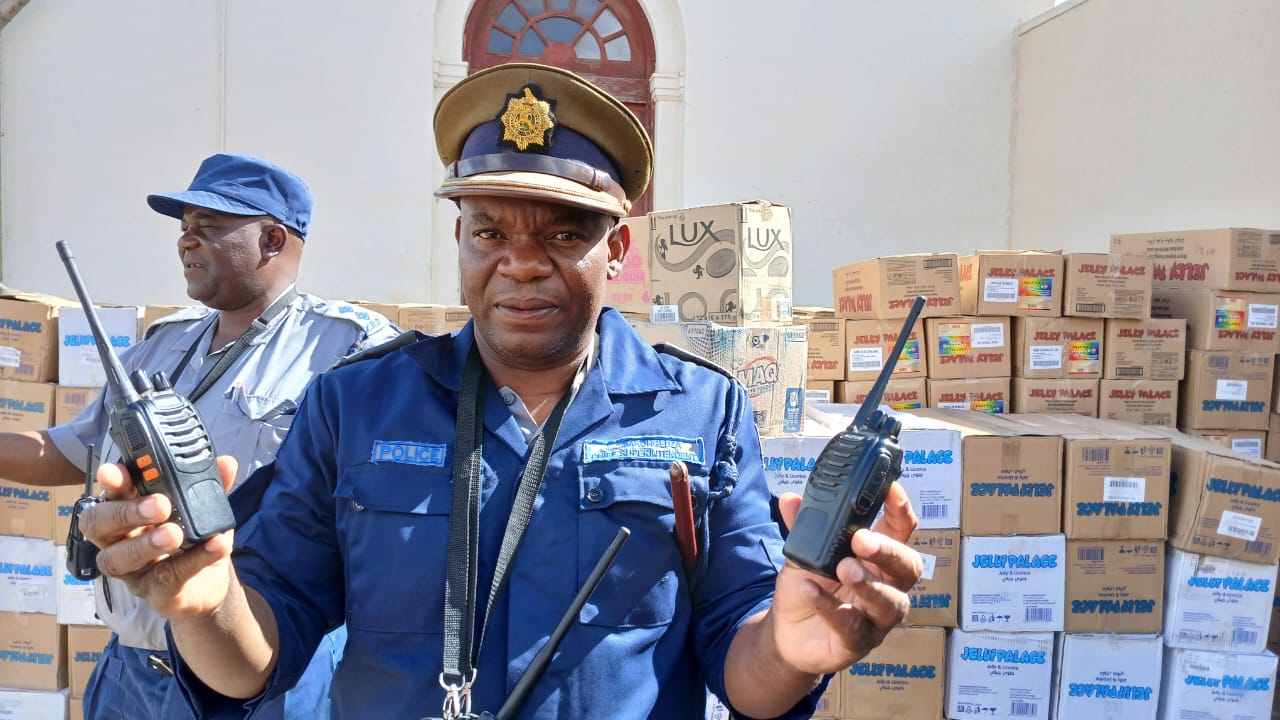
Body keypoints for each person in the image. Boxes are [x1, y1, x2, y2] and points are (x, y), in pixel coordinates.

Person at [80, 64, 922, 719]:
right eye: (490, 231)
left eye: (563, 233)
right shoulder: (355, 406)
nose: (520, 261)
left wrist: (797, 645)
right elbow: (259, 652)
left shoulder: (701, 412)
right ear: (460, 237)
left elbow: (746, 673)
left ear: (617, 248)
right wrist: (203, 604)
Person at [0, 153, 401, 719]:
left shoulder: (347, 351)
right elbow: (66, 452)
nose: (186, 242)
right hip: (130, 673)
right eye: (184, 229)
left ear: (271, 240)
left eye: (208, 228)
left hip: (259, 680)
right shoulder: (159, 347)